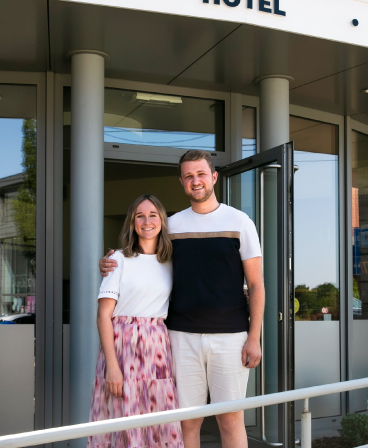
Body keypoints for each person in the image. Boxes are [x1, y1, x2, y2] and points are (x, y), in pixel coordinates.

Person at [100, 150, 265, 448]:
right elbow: (144, 257)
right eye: (189, 176)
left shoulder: (240, 222)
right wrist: (113, 260)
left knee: (230, 419)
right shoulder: (172, 225)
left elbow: (256, 285)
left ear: (214, 177)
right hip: (179, 337)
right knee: (186, 421)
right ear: (181, 182)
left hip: (231, 337)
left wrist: (254, 337)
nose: (195, 180)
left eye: (201, 174)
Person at [88, 194, 183, 448]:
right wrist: (112, 366)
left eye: (153, 215)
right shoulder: (118, 259)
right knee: (122, 423)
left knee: (159, 423)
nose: (147, 221)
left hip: (157, 348)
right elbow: (103, 316)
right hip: (123, 347)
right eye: (140, 215)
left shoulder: (172, 261)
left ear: (162, 221)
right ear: (132, 222)